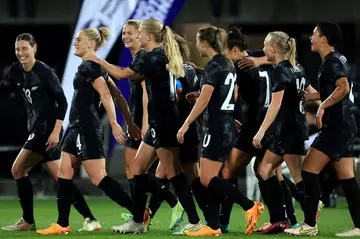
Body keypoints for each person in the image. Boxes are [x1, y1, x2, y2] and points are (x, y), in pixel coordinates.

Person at [86, 19, 201, 234]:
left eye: (139, 33)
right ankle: (138, 222)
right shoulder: (160, 56)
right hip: (159, 122)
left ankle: (194, 220)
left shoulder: (152, 57)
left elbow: (121, 74)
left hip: (164, 121)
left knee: (173, 173)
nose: (137, 36)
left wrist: (97, 60)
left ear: (149, 36)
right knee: (138, 169)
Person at [36, 27, 139, 235]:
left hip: (86, 128)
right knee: (64, 173)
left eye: (79, 39)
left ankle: (138, 213)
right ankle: (62, 223)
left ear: (91, 45)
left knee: (98, 178)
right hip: (76, 128)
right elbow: (117, 94)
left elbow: (106, 95)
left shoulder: (90, 67)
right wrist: (129, 121)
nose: (75, 42)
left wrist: (115, 122)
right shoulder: (92, 67)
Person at [0, 33, 100, 232]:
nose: (21, 53)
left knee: (18, 169)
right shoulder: (15, 70)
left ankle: (28, 221)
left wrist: (55, 132)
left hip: (46, 129)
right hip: (36, 127)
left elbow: (62, 102)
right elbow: (3, 89)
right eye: (18, 49)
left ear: (34, 48)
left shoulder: (44, 72)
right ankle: (90, 218)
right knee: (61, 179)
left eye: (25, 49)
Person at [177, 26, 264, 236]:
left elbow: (206, 99)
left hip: (215, 128)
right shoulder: (227, 64)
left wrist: (186, 123)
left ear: (205, 43)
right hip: (226, 125)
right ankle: (214, 226)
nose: (197, 44)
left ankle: (249, 206)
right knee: (213, 178)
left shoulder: (213, 66)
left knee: (207, 179)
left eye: (198, 41)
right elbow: (229, 96)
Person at [285, 22, 360, 237]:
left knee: (309, 169)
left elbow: (343, 87)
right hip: (346, 125)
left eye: (315, 34)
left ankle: (309, 225)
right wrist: (312, 97)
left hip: (336, 127)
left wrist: (321, 108)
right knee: (346, 176)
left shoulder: (331, 62)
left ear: (324, 39)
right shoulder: (337, 58)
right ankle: (359, 226)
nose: (311, 37)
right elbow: (334, 88)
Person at [118, 19, 183, 232]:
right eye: (123, 33)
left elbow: (148, 94)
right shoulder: (140, 57)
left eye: (129, 33)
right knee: (135, 168)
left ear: (141, 34)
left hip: (149, 120)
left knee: (152, 170)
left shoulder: (146, 58)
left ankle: (163, 208)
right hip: (140, 118)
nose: (126, 36)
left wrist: (145, 123)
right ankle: (139, 214)